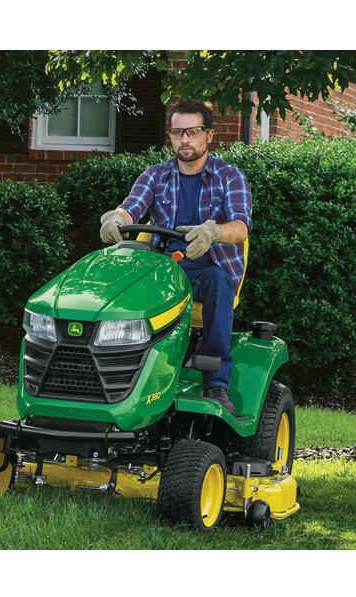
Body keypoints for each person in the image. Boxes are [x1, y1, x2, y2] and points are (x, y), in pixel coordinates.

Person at [99, 99, 252, 416]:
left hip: (207, 271)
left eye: (193, 131)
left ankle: (216, 384)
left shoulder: (229, 176)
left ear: (209, 135)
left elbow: (240, 227)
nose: (185, 139)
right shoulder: (155, 176)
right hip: (163, 270)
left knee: (219, 282)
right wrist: (115, 218)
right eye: (178, 132)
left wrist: (213, 232)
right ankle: (116, 377)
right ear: (169, 136)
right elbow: (131, 208)